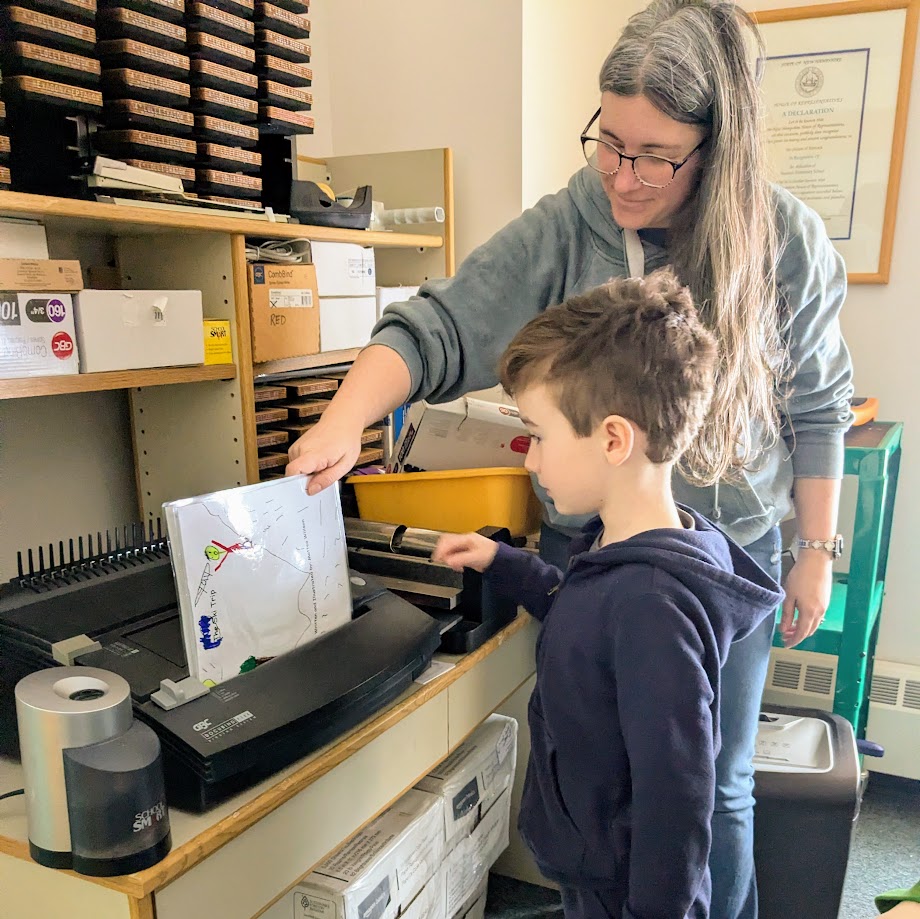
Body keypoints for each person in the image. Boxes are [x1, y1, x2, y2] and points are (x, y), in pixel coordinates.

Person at [286, 1, 853, 915]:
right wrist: (345, 421)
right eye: (608, 141)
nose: (622, 177)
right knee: (607, 772)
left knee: (709, 785)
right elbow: (439, 323)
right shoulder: (573, 219)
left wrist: (816, 554)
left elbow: (819, 407)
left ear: (715, 146)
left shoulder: (784, 240)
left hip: (726, 548)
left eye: (655, 155)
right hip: (601, 549)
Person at [432, 271, 784, 919]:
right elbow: (577, 605)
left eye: (537, 434)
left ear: (614, 439)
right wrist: (502, 560)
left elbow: (676, 797)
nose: (530, 460)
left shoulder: (653, 604)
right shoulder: (619, 546)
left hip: (627, 892)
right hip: (592, 859)